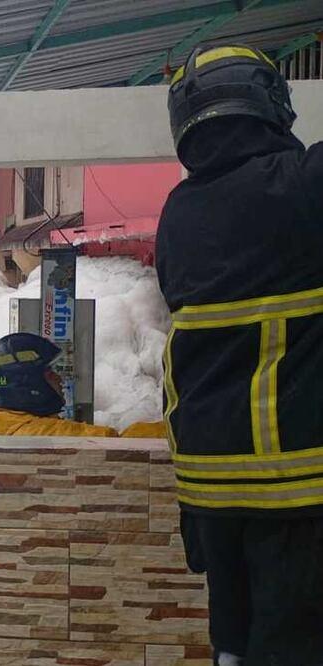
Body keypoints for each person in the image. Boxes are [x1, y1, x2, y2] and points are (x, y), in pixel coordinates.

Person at [158, 43, 323, 665]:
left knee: (234, 642)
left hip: (210, 491)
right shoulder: (304, 187)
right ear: (271, 105)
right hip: (300, 494)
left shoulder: (178, 214)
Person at [0, 333, 165, 438]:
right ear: (30, 385)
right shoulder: (45, 435)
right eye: (50, 374)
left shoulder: (7, 425)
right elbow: (119, 445)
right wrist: (177, 430)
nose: (59, 379)